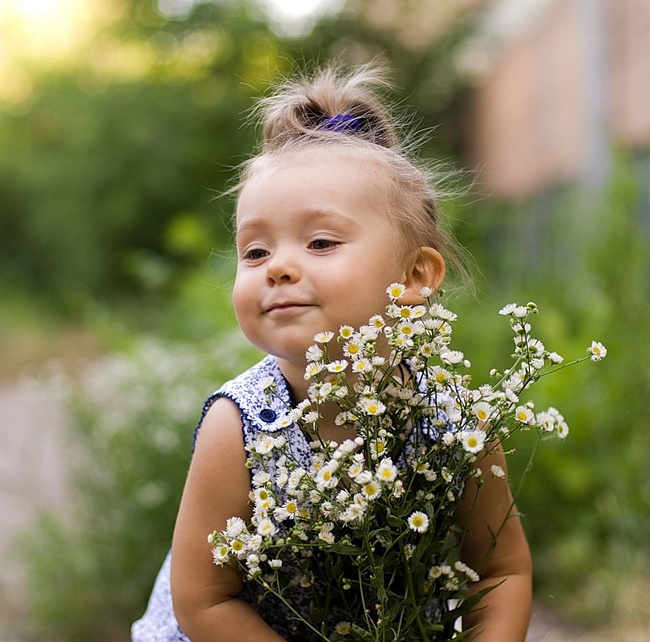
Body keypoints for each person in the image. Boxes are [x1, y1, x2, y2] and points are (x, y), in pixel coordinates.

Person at [132, 64, 532, 642]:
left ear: (416, 274)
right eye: (254, 250)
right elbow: (204, 601)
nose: (279, 266)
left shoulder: (454, 422)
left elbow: (501, 569)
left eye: (321, 242)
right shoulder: (240, 425)